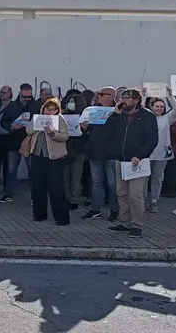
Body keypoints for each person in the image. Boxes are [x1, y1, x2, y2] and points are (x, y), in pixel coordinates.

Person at [106, 89, 158, 238]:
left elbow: (152, 139)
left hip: (137, 161)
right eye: (121, 97)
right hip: (121, 160)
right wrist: (115, 115)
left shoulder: (146, 116)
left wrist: (140, 155)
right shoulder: (120, 115)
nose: (123, 100)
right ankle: (125, 222)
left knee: (135, 195)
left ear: (136, 100)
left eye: (126, 98)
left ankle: (137, 225)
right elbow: (108, 131)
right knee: (122, 193)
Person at [25, 98, 70, 226]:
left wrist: (52, 133)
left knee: (56, 188)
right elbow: (28, 131)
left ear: (56, 110)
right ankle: (39, 214)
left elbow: (65, 136)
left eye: (52, 109)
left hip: (54, 157)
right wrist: (38, 125)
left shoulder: (60, 119)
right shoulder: (37, 118)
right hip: (37, 155)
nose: (49, 111)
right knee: (37, 186)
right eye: (47, 109)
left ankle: (61, 217)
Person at [81, 86, 119, 221]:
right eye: (98, 94)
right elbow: (88, 130)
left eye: (102, 94)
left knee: (113, 183)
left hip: (111, 153)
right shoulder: (93, 110)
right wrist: (84, 127)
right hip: (95, 151)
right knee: (96, 182)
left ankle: (115, 210)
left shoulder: (118, 111)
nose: (99, 96)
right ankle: (95, 209)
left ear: (111, 96)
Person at [0, 83, 37, 204]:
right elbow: (3, 121)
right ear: (19, 94)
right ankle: (8, 194)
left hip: (30, 141)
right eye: (24, 97)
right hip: (14, 141)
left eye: (29, 97)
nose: (27, 99)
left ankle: (35, 196)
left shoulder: (36, 105)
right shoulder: (12, 105)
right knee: (11, 169)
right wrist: (11, 127)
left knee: (33, 170)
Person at [144, 88, 176, 213]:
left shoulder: (167, 118)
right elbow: (140, 108)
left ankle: (154, 201)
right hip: (146, 153)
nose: (159, 108)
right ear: (151, 107)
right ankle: (142, 202)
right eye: (157, 106)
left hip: (162, 154)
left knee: (157, 179)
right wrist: (143, 95)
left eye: (162, 107)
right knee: (144, 179)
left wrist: (170, 95)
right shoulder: (146, 118)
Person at [62, 93, 88, 209]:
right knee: (65, 176)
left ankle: (74, 199)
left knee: (76, 176)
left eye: (73, 102)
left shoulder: (84, 117)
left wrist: (84, 129)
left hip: (79, 149)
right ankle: (66, 197)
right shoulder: (64, 115)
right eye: (69, 101)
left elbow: (87, 136)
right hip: (65, 148)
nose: (70, 104)